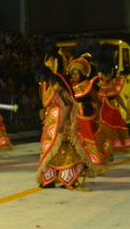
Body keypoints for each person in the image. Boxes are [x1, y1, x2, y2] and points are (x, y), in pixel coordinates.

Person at [35, 59, 90, 188]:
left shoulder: (58, 86)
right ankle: (49, 179)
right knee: (48, 149)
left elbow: (69, 104)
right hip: (50, 122)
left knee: (65, 149)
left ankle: (69, 179)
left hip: (61, 120)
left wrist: (62, 122)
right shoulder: (47, 86)